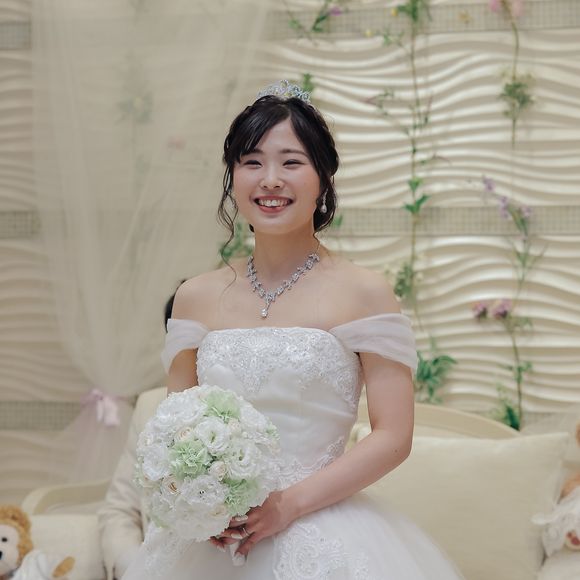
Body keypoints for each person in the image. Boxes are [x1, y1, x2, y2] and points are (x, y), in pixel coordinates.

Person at [122, 80, 464, 579]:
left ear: (323, 178)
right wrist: (200, 505)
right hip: (215, 542)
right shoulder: (195, 296)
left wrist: (288, 504)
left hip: (321, 526)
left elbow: (394, 435)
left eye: (291, 162)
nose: (270, 180)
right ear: (233, 178)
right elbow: (176, 428)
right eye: (252, 162)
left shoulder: (364, 292)